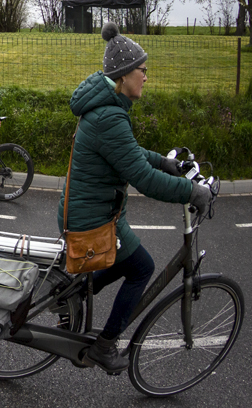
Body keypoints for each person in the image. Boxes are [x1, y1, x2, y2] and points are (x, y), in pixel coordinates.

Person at [57, 21, 212, 374]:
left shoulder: (107, 109)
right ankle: (104, 346)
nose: (146, 77)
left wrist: (166, 162)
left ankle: (75, 293)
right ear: (125, 74)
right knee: (142, 267)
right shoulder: (109, 116)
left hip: (91, 210)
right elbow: (142, 179)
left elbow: (131, 153)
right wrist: (192, 191)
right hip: (90, 218)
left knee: (126, 262)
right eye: (143, 70)